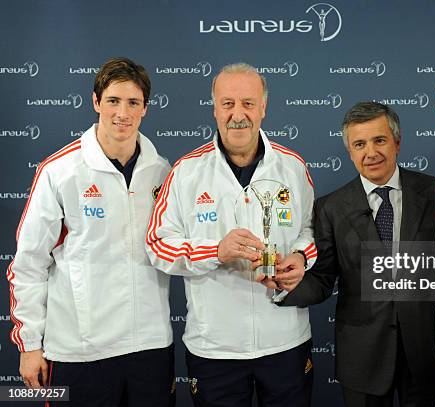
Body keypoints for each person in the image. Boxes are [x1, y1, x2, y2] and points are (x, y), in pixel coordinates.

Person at [146, 62, 317, 407]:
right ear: (214, 109)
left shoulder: (293, 167)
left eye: (248, 104)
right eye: (228, 104)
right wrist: (215, 251)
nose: (238, 114)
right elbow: (157, 245)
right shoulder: (186, 172)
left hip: (285, 341)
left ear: (263, 108)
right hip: (215, 348)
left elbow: (311, 231)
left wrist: (301, 257)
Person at [7, 57, 174, 406]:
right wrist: (30, 344)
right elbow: (29, 264)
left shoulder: (162, 172)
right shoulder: (60, 171)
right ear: (96, 102)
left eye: (133, 103)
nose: (122, 113)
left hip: (150, 347)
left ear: (146, 108)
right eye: (113, 101)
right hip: (80, 350)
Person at [282, 101, 435, 406]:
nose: (371, 152)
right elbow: (323, 279)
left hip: (426, 352)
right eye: (359, 144)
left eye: (379, 140)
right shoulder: (330, 208)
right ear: (350, 152)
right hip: (363, 357)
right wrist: (284, 285)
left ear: (397, 142)